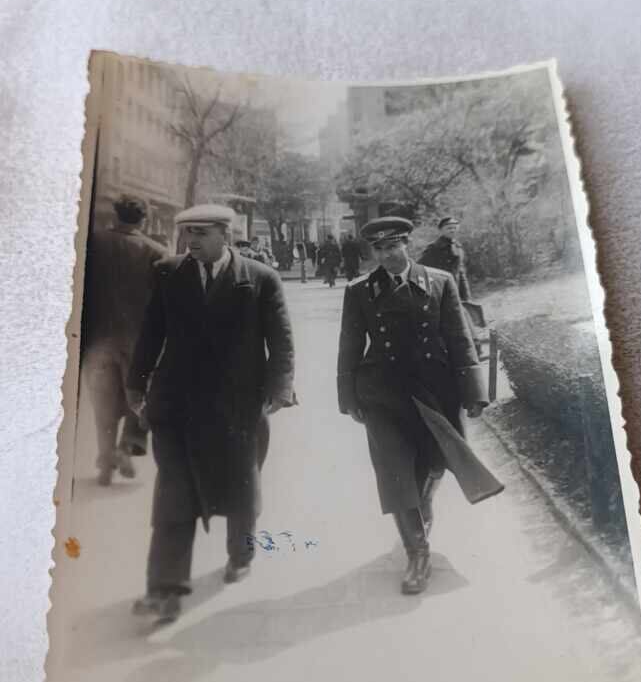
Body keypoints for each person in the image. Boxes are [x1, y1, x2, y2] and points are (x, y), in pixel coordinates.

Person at [127, 203, 296, 623]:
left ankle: (241, 552)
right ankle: (166, 588)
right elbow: (151, 332)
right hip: (176, 404)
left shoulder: (260, 279)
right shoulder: (168, 273)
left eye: (201, 233)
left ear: (226, 234)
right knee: (174, 493)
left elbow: (282, 342)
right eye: (188, 234)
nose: (191, 242)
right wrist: (135, 383)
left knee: (240, 486)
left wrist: (280, 388)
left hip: (237, 406)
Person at [337, 217, 487, 595]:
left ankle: (420, 511)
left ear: (407, 244)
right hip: (383, 395)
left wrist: (474, 393)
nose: (386, 255)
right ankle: (417, 554)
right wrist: (348, 398)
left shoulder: (439, 281)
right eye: (379, 249)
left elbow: (459, 339)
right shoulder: (360, 291)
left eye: (393, 246)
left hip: (436, 392)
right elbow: (349, 348)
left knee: (432, 467)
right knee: (395, 473)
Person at [82, 194, 166, 486]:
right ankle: (125, 448)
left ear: (116, 215)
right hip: (140, 341)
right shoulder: (156, 252)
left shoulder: (93, 243)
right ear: (144, 219)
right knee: (139, 398)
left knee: (103, 404)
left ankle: (106, 462)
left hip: (97, 339)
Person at [417, 215, 472, 300]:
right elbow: (420, 269)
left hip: (455, 288)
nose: (452, 230)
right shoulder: (434, 248)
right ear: (441, 231)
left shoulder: (458, 247)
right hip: (439, 290)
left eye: (454, 228)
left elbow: (461, 273)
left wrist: (466, 296)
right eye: (449, 228)